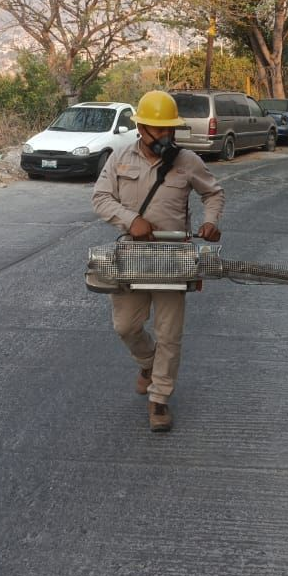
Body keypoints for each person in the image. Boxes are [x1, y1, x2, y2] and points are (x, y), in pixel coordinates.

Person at [92, 90, 224, 433]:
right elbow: (100, 198)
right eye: (158, 129)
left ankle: (160, 398)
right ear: (141, 128)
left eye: (170, 129)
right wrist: (130, 219)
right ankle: (148, 363)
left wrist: (211, 222)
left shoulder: (188, 161)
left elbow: (213, 192)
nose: (166, 136)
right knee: (126, 326)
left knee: (169, 333)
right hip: (131, 256)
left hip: (173, 258)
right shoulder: (120, 158)